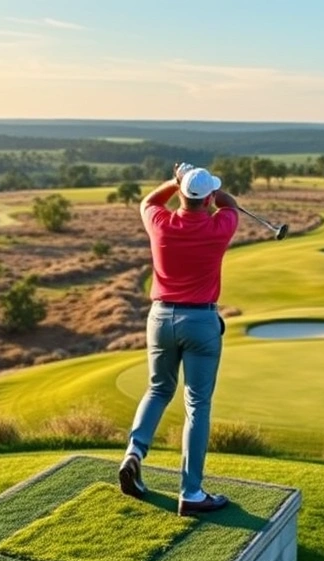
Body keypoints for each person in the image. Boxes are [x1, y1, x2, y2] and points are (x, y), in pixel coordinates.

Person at [119, 162, 240, 516]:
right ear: (207, 200)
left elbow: (148, 201)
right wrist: (212, 188)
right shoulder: (220, 225)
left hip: (160, 317)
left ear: (183, 194)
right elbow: (229, 204)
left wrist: (175, 181)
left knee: (158, 389)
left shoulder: (160, 223)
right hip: (201, 320)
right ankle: (190, 492)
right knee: (197, 404)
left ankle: (134, 454)